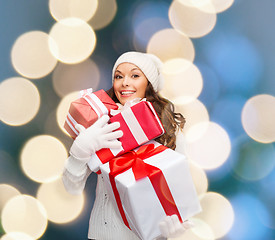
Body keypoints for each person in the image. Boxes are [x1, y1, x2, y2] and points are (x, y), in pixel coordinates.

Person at [62, 51, 194, 240]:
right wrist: (80, 151)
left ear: (149, 83)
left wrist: (172, 228)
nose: (124, 82)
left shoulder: (170, 131)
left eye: (135, 75)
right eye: (118, 76)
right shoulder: (102, 124)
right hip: (102, 235)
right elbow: (71, 188)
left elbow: (178, 190)